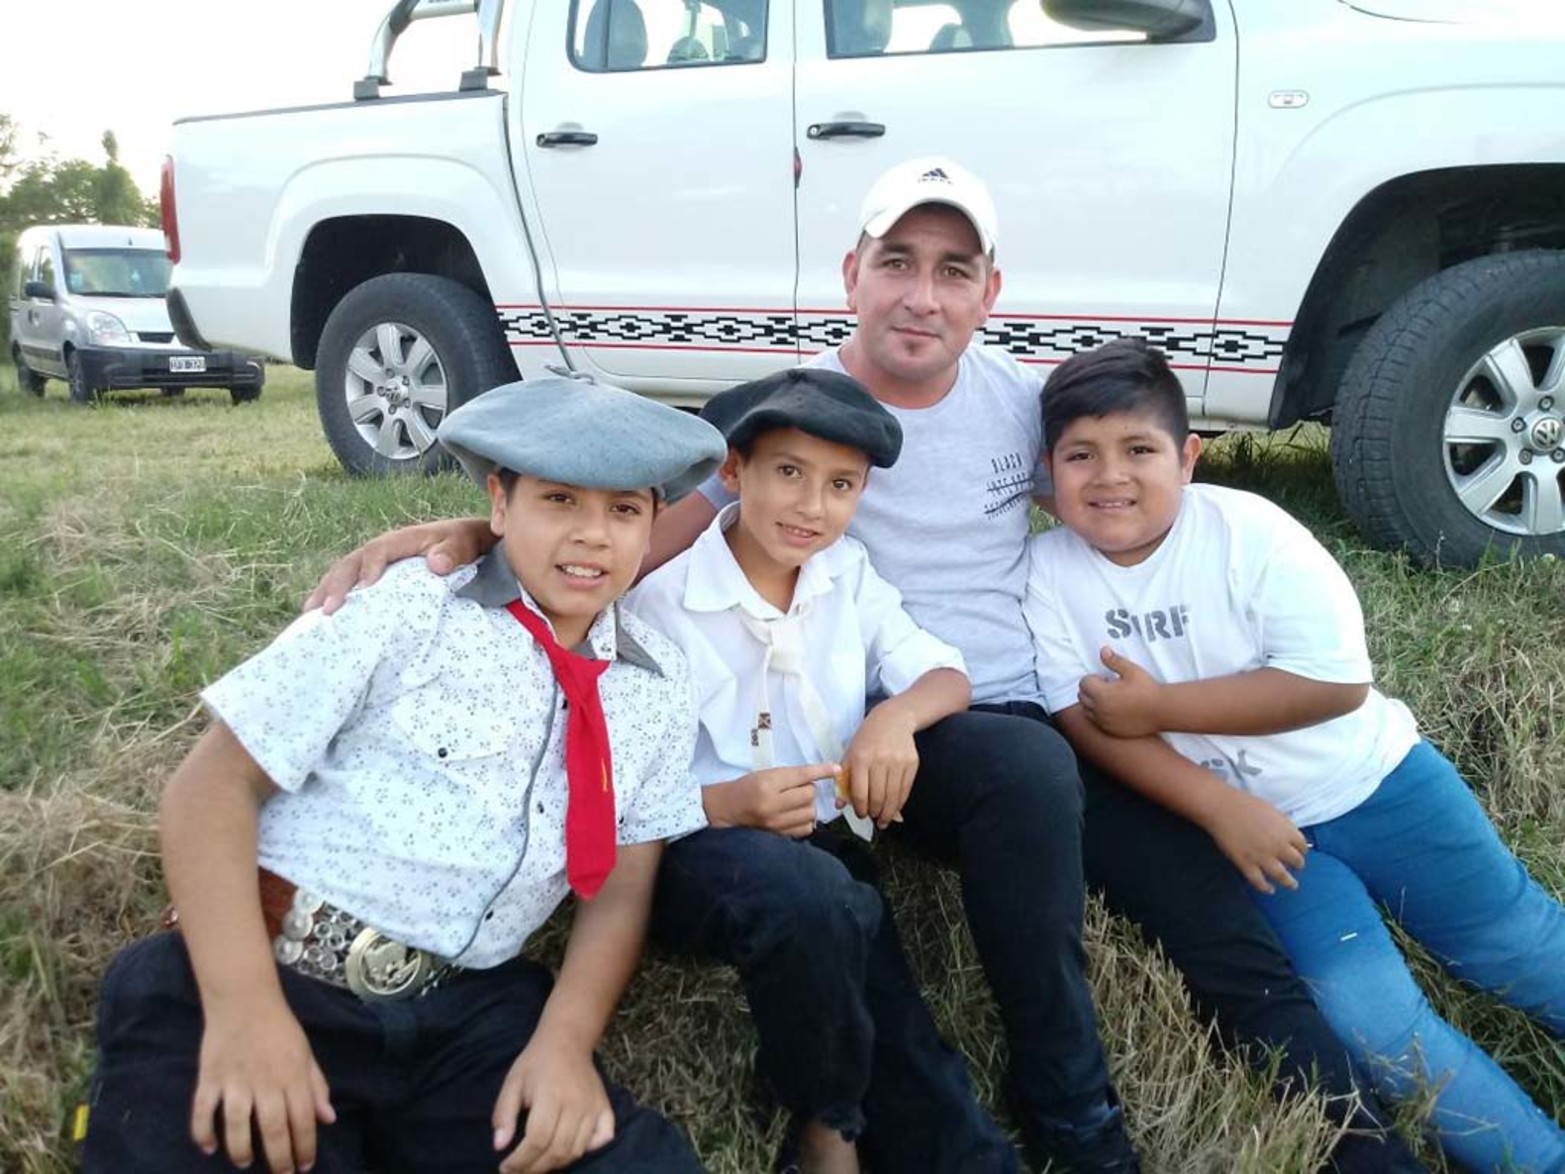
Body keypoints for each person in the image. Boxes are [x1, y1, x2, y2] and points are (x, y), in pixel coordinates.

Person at [305, 157, 1419, 1172]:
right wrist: (470, 540)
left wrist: (1226, 548)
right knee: (849, 892)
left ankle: (1131, 1125)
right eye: (895, 263)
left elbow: (1122, 484)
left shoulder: (1018, 411)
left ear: (989, 291)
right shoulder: (791, 420)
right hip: (820, 757)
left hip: (983, 730)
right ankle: (905, 1123)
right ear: (852, 273)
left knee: (1179, 892)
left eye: (952, 270)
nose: (920, 296)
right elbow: (631, 519)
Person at [82, 373, 728, 1174]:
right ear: (498, 505)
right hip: (283, 972)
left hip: (469, 1017)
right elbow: (210, 789)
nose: (593, 535)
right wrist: (244, 1009)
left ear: (654, 521)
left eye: (624, 510)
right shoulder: (407, 609)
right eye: (559, 501)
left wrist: (563, 1047)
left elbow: (625, 883)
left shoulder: (654, 684)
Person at [1025, 337, 1565, 1173]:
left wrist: (1160, 708)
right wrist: (1218, 809)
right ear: (1045, 471)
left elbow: (1332, 684)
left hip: (1383, 786)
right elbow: (1084, 719)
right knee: (1372, 1023)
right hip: (1258, 837)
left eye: (1139, 450)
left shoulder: (1250, 531)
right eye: (1079, 455)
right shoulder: (1046, 573)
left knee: (1514, 945)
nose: (1110, 477)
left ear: (1189, 456)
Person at [626, 367, 1018, 1174]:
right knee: (810, 899)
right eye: (788, 473)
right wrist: (725, 801)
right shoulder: (661, 602)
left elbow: (943, 673)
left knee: (884, 988)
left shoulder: (848, 575)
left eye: (840, 485)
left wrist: (891, 716)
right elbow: (617, 786)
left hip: (822, 841)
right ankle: (826, 1128)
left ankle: (965, 1155)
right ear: (732, 472)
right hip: (695, 841)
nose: (812, 507)